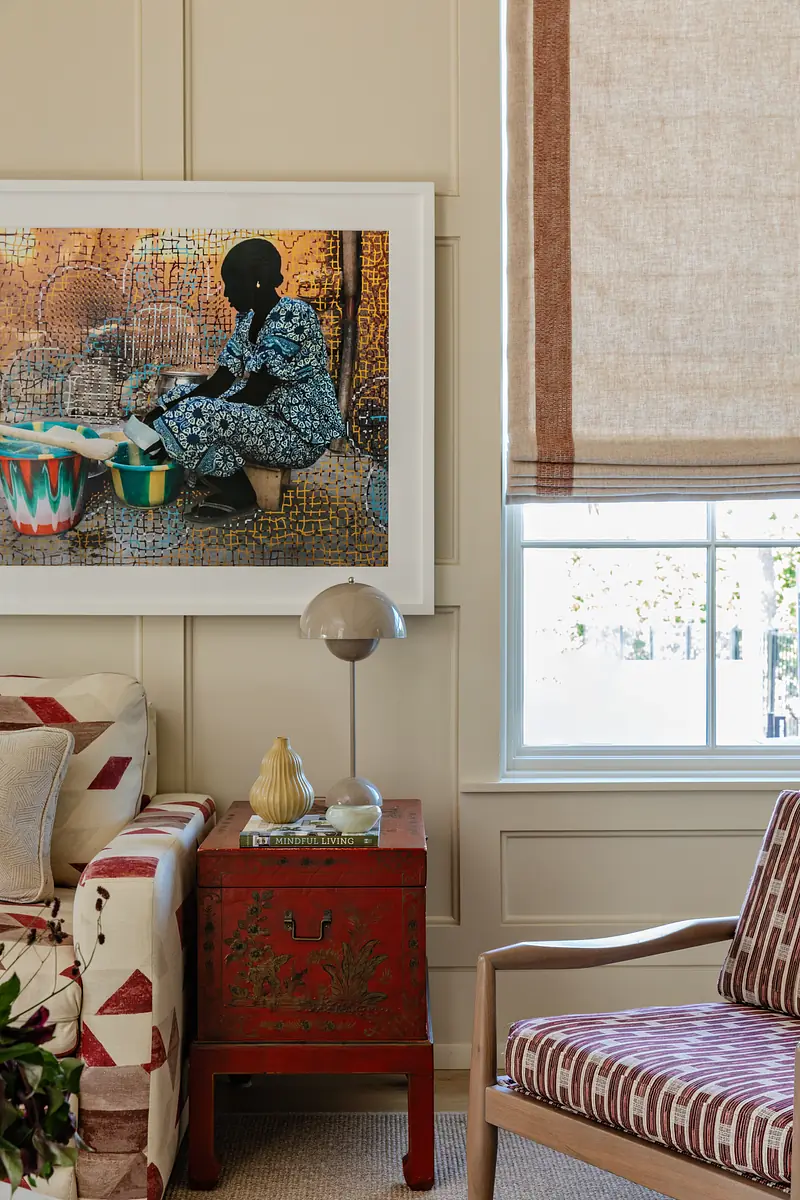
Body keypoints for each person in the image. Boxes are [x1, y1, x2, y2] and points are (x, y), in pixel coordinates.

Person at [143, 238, 345, 526]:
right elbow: (220, 381)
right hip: (266, 415)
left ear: (257, 282)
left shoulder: (294, 314)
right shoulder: (247, 320)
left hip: (297, 433)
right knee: (179, 397)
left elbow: (255, 393)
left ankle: (239, 494)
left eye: (231, 283)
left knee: (196, 412)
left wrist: (179, 419)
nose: (226, 293)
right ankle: (220, 473)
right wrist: (164, 410)